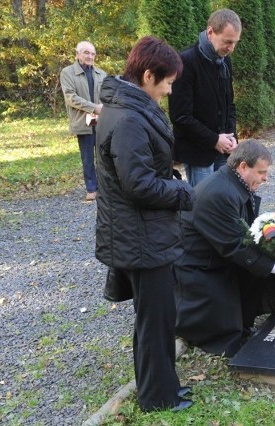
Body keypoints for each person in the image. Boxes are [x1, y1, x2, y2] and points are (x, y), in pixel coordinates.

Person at [94, 36, 196, 412]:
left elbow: (146, 166)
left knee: (159, 317)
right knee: (155, 322)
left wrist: (169, 176)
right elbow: (137, 185)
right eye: (167, 82)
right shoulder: (127, 119)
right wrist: (183, 192)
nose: (170, 90)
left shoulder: (133, 108)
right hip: (140, 236)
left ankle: (164, 386)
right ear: (148, 75)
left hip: (147, 232)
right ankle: (157, 398)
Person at [174, 140, 275, 357]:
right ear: (243, 166)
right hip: (196, 269)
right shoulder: (221, 193)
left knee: (263, 263)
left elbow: (245, 230)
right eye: (261, 172)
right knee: (230, 334)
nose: (266, 178)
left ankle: (245, 321)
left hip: (214, 254)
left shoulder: (232, 182)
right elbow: (236, 245)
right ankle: (234, 331)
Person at [168, 8, 241, 187]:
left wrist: (232, 137)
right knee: (202, 208)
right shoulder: (185, 62)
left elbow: (229, 105)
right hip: (198, 153)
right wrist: (214, 139)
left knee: (222, 205)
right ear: (210, 32)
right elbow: (180, 116)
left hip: (224, 150)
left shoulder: (225, 61)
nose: (231, 48)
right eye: (227, 42)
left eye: (235, 43)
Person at [60, 41, 106, 201]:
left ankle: (104, 188)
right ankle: (91, 189)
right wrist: (94, 108)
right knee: (87, 157)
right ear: (78, 54)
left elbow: (107, 96)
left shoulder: (102, 74)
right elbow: (71, 98)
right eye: (86, 52)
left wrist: (103, 108)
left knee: (103, 157)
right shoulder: (67, 73)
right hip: (83, 122)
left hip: (101, 122)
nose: (90, 56)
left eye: (93, 53)